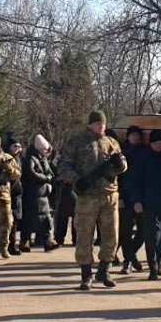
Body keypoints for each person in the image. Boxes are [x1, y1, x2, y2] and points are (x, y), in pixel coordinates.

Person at [59, 111, 127, 290]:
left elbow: (122, 164)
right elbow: (63, 165)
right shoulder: (77, 142)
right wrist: (76, 179)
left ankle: (105, 270)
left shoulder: (111, 142)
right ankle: (86, 274)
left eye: (103, 123)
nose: (101, 126)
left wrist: (120, 166)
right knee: (84, 235)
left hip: (109, 195)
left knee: (111, 235)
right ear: (90, 124)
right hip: (87, 196)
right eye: (97, 123)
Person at [133, 129, 161, 280]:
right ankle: (153, 267)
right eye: (156, 144)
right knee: (150, 235)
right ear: (151, 143)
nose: (159, 146)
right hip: (148, 201)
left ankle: (159, 257)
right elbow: (135, 181)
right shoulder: (142, 157)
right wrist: (137, 200)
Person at [117, 126, 146, 274]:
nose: (135, 138)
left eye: (138, 135)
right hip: (125, 197)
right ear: (127, 136)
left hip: (142, 197)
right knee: (125, 231)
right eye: (133, 135)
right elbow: (117, 178)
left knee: (143, 231)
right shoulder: (121, 152)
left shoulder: (144, 152)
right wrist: (120, 197)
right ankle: (128, 261)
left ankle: (130, 256)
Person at [21, 135, 56, 252]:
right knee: (30, 218)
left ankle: (48, 241)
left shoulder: (43, 159)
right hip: (32, 193)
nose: (46, 151)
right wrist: (45, 178)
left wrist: (48, 178)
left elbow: (50, 173)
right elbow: (31, 173)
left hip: (43, 194)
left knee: (46, 218)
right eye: (44, 149)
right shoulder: (30, 159)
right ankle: (25, 241)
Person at [6, 139, 24, 255]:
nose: (17, 148)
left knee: (15, 220)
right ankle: (1, 244)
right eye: (14, 146)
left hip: (17, 193)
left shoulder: (20, 158)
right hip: (7, 192)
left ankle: (12, 245)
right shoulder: (6, 158)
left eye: (19, 146)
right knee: (5, 220)